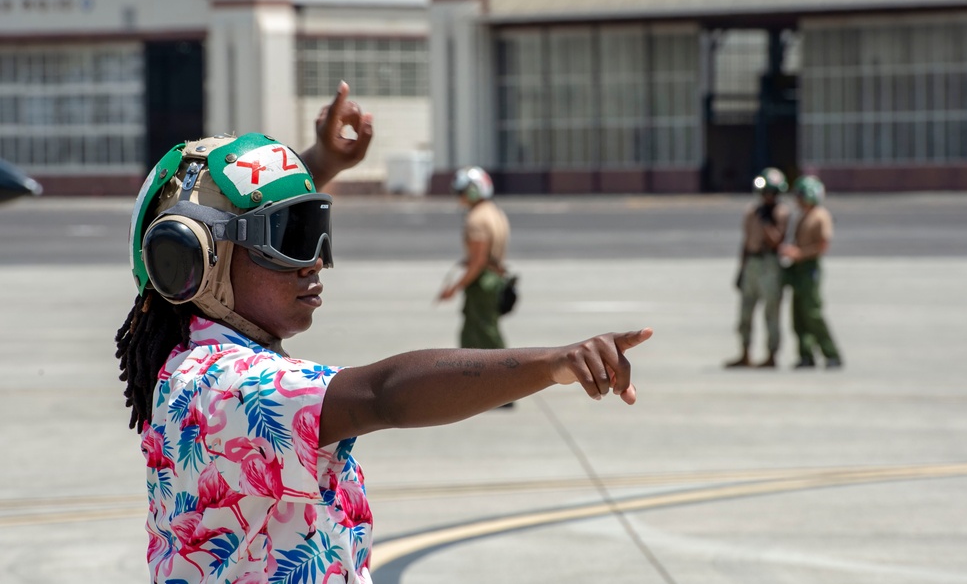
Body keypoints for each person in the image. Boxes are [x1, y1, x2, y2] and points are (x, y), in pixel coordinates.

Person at [115, 86, 652, 583]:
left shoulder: (191, 357)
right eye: (289, 240)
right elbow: (384, 394)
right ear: (194, 260)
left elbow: (239, 214)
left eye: (315, 232)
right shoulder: (223, 389)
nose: (316, 262)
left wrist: (322, 162)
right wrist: (553, 364)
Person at [436, 166, 511, 350]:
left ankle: (506, 372)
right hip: (495, 279)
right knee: (479, 331)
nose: (459, 197)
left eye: (462, 192)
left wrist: (455, 287)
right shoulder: (494, 212)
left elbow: (478, 262)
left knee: (483, 333)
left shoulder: (476, 219)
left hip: (483, 283)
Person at [725, 167, 791, 368]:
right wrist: (741, 269)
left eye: (772, 193)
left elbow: (776, 242)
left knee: (771, 311)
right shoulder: (751, 211)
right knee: (745, 311)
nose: (768, 197)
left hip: (769, 263)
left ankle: (772, 354)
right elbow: (746, 242)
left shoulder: (781, 213)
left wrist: (766, 222)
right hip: (752, 263)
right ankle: (745, 353)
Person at [779, 175, 843, 369]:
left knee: (813, 314)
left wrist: (800, 253)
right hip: (797, 268)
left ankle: (831, 354)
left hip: (809, 268)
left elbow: (822, 245)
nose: (797, 199)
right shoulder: (802, 216)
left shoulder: (820, 216)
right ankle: (806, 355)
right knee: (798, 316)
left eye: (800, 195)